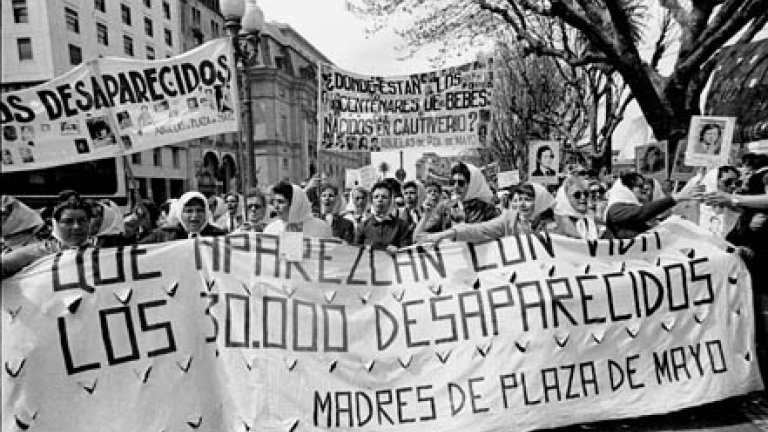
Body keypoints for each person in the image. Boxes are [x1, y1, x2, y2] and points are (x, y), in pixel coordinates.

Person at [416, 182, 555, 244]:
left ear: (540, 201)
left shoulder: (555, 225)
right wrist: (445, 234)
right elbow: (478, 230)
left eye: (528, 200)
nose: (522, 205)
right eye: (519, 200)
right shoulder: (508, 220)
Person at [2, 198, 93, 279]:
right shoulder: (35, 252)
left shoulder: (99, 252)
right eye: (68, 221)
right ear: (56, 224)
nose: (76, 226)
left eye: (82, 221)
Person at [603, 172, 700, 239]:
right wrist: (675, 198)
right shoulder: (615, 210)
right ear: (626, 189)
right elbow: (642, 212)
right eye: (640, 186)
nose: (644, 189)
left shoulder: (630, 207)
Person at [416, 162, 499, 235]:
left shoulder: (487, 210)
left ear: (473, 184)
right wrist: (426, 216)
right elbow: (417, 238)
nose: (455, 187)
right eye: (453, 182)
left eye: (461, 183)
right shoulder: (445, 208)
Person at [141, 192, 227, 243]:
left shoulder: (219, 236)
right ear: (180, 213)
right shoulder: (163, 236)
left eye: (200, 210)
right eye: (189, 211)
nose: (194, 216)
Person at [354, 181, 411, 252]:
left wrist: (398, 250)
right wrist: (366, 247)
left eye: (384, 197)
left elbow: (406, 250)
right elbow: (355, 249)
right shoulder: (363, 225)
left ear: (390, 201)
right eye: (376, 197)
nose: (380, 200)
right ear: (372, 201)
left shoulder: (401, 225)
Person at [264, 181, 333, 238]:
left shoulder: (321, 228)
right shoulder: (271, 230)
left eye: (280, 202)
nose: (276, 206)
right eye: (274, 202)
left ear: (296, 204)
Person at [697, 166, 741, 238]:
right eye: (728, 182)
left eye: (737, 183)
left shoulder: (736, 208)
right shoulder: (695, 205)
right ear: (714, 181)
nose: (733, 186)